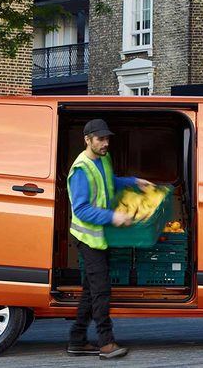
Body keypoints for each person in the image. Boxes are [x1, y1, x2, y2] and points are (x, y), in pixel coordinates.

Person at [66, 119, 152, 360]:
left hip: (100, 237)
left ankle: (77, 340)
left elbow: (108, 183)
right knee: (101, 290)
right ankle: (106, 343)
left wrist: (133, 181)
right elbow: (81, 209)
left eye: (107, 139)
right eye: (100, 139)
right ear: (87, 140)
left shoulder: (103, 159)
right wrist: (113, 216)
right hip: (88, 238)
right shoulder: (81, 169)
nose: (105, 143)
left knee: (90, 291)